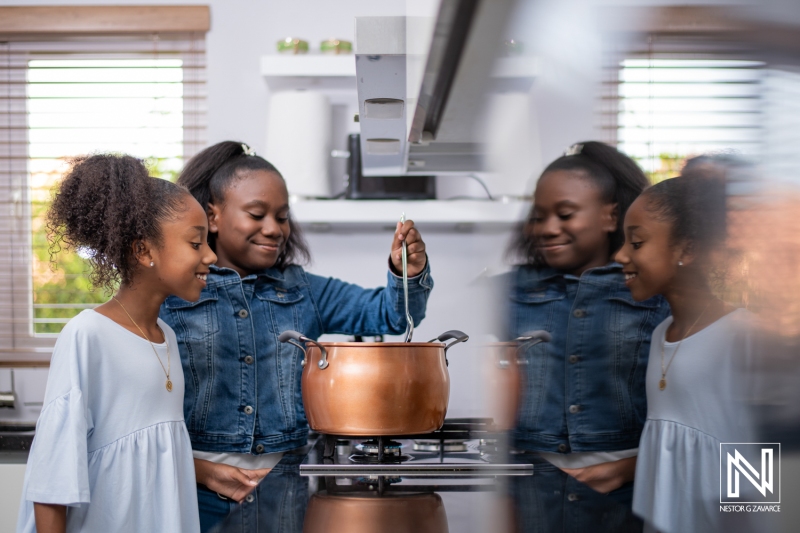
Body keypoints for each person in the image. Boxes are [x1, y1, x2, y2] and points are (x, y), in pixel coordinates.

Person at [158, 141, 433, 531]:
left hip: (288, 491)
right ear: (212, 217)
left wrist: (406, 270)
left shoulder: (303, 290)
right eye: (257, 214)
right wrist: (198, 470)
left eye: (282, 217)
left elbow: (391, 314)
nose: (274, 229)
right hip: (195, 493)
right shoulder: (174, 293)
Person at [17, 155, 216, 532]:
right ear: (144, 252)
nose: (210, 255)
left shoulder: (167, 336)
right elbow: (52, 479)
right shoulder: (88, 335)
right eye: (196, 242)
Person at [504, 141, 670, 507]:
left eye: (565, 215)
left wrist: (632, 467)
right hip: (530, 496)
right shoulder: (504, 292)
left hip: (623, 503)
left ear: (611, 217)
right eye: (538, 215)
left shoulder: (659, 300)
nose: (547, 229)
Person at [617, 158, 758, 533]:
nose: (621, 255)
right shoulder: (662, 331)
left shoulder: (743, 336)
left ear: (689, 249)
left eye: (637, 242)